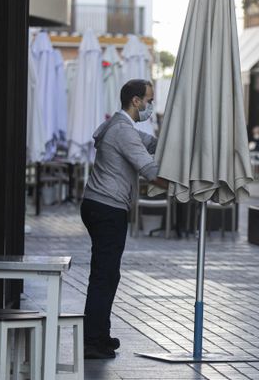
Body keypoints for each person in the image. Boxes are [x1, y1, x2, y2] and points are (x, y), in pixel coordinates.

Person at [81, 79, 169, 359]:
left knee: (108, 274)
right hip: (107, 208)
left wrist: (175, 135)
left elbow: (153, 144)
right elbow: (151, 171)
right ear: (135, 101)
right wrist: (183, 184)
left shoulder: (121, 127)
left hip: (100, 206)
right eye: (149, 100)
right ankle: (93, 341)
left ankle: (100, 336)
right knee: (104, 275)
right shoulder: (123, 131)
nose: (150, 106)